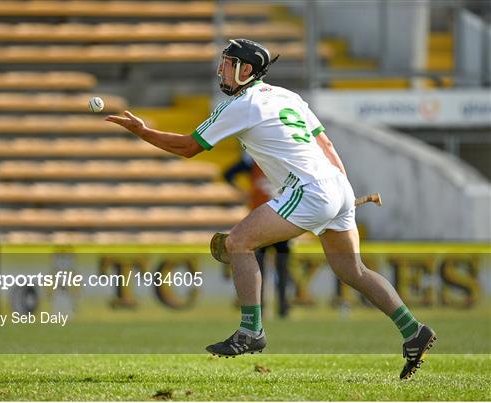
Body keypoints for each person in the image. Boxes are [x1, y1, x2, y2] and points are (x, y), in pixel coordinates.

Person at [105, 38, 436, 379]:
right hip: (336, 184)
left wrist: (142, 131)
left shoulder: (239, 105)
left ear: (245, 70)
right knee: (353, 270)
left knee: (238, 243)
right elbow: (326, 144)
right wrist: (341, 192)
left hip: (309, 189)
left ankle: (251, 332)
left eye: (227, 62)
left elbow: (188, 147)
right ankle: (413, 330)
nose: (221, 68)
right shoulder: (287, 96)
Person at [223, 152, 291, 318]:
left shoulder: (282, 160)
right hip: (267, 221)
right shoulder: (257, 160)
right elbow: (228, 174)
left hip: (278, 221)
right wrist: (244, 191)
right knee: (262, 268)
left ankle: (280, 307)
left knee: (278, 268)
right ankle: (264, 308)